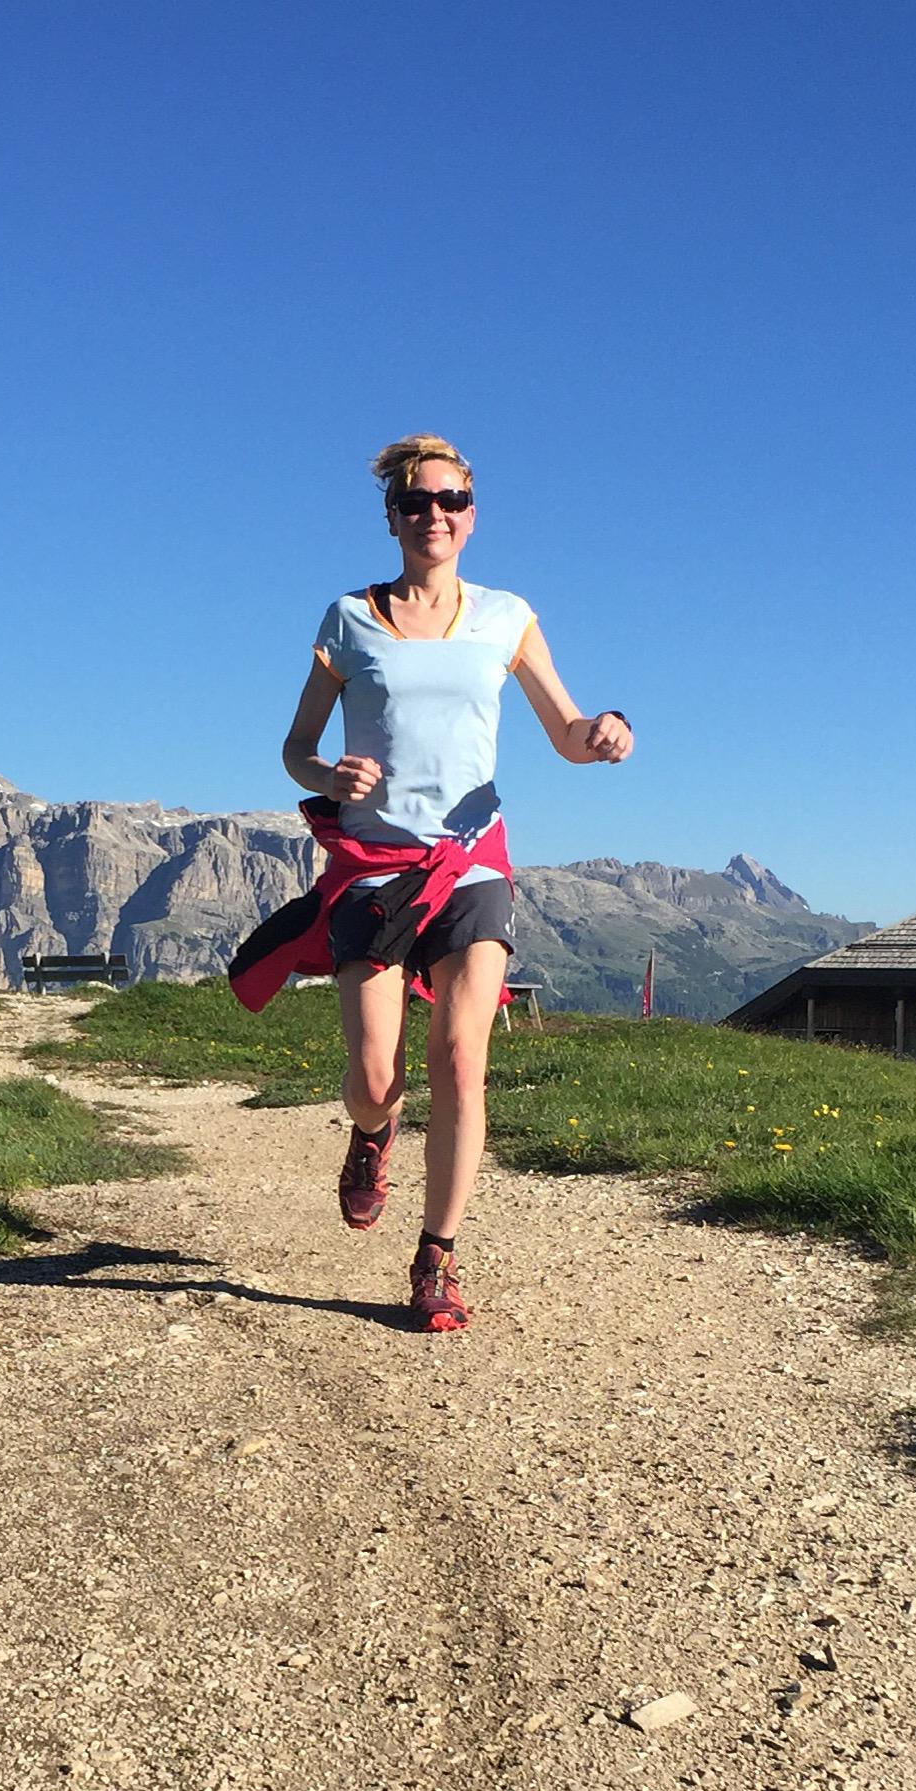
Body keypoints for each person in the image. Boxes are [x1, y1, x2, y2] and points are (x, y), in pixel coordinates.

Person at [231, 434, 632, 1332]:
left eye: (451, 501)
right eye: (417, 504)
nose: (435, 517)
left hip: (470, 865)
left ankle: (437, 1256)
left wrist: (607, 731)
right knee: (374, 1076)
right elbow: (295, 746)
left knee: (459, 1060)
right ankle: (371, 1137)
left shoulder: (507, 617)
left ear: (473, 513)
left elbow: (566, 728)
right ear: (393, 518)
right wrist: (327, 776)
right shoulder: (349, 620)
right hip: (373, 874)